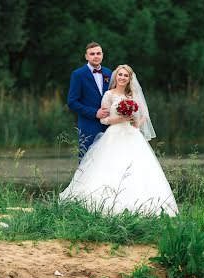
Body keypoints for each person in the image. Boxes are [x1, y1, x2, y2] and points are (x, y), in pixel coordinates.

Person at [59, 64, 178, 216]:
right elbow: (103, 120)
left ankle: (143, 207)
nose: (122, 78)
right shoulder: (109, 95)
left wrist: (136, 124)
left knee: (137, 169)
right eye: (120, 75)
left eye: (125, 76)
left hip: (132, 135)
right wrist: (119, 119)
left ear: (130, 79)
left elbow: (145, 115)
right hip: (113, 134)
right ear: (116, 76)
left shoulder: (132, 95)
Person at [67, 42, 112, 157]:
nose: (96, 56)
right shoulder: (78, 74)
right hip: (88, 126)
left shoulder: (109, 73)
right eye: (92, 54)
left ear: (102, 55)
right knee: (87, 161)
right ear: (86, 56)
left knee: (108, 160)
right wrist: (95, 113)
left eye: (98, 53)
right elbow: (72, 102)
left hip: (109, 125)